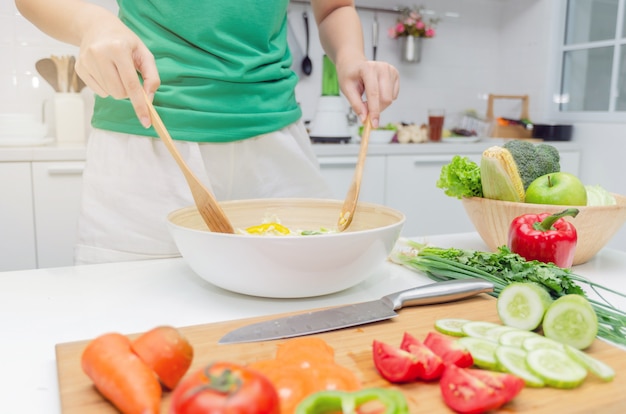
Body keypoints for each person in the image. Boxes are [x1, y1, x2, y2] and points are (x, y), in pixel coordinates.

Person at [15, 0, 400, 264]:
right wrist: (92, 24)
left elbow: (335, 6)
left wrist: (351, 57)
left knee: (307, 312)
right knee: (129, 323)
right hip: (148, 141)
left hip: (276, 143)